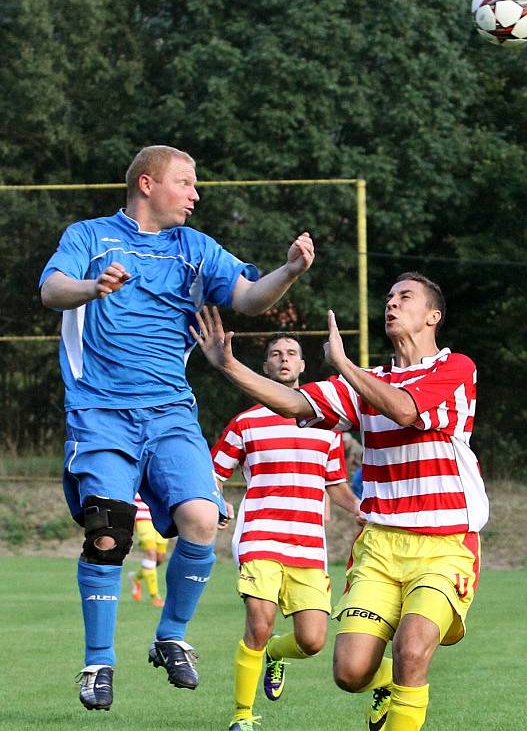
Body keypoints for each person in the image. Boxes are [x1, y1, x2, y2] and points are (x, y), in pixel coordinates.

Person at [38, 144, 315, 712]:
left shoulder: (195, 249)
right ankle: (97, 662)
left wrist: (287, 271)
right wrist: (92, 288)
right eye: (185, 183)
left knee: (202, 518)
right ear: (147, 184)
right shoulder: (90, 236)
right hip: (100, 413)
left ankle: (171, 636)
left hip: (169, 413)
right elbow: (51, 289)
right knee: (109, 529)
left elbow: (247, 298)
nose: (195, 193)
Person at [190, 271, 489, 731]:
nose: (391, 304)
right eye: (389, 297)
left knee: (411, 650)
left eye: (404, 297)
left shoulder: (454, 369)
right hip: (379, 547)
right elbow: (293, 403)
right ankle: (380, 695)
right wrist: (229, 366)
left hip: (444, 543)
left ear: (433, 316)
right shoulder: (366, 383)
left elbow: (405, 409)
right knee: (350, 673)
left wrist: (346, 366)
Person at [210, 332, 361, 731]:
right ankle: (242, 716)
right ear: (264, 368)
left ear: (302, 365)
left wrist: (363, 511)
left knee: (312, 642)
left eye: (292, 353)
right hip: (259, 536)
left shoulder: (327, 428)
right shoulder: (246, 422)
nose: (284, 359)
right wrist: (216, 501)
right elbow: (213, 474)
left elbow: (337, 486)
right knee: (259, 624)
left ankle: (276, 654)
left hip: (309, 545)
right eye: (275, 354)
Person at [128, 494, 169, 608]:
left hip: (161, 517)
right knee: (151, 554)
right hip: (142, 517)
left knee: (160, 558)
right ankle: (155, 596)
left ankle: (135, 577)